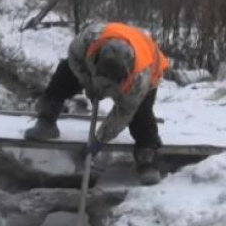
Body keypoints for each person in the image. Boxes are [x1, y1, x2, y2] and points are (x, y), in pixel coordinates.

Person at [24, 22, 169, 186]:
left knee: (140, 112)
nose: (107, 88)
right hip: (94, 64)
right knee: (65, 72)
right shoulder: (87, 41)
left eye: (111, 84)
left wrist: (100, 139)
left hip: (151, 61)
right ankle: (46, 119)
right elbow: (74, 59)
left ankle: (146, 153)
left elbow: (123, 113)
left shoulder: (139, 78)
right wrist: (88, 83)